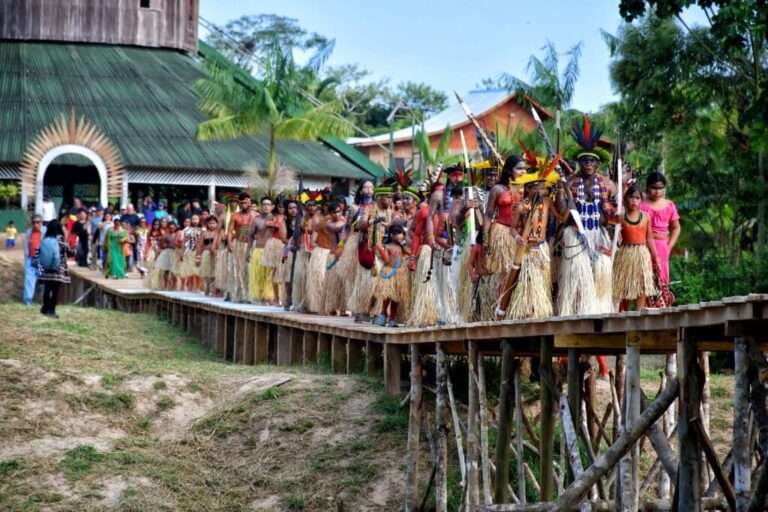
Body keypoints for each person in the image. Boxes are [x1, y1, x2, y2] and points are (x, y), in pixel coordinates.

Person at [556, 114, 617, 315]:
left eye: (591, 161)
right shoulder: (570, 182)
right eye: (584, 161)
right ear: (579, 163)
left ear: (597, 164)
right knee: (577, 278)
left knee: (600, 276)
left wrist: (616, 225)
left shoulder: (608, 184)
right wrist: (560, 190)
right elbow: (563, 211)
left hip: (599, 234)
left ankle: (599, 311)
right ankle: (575, 312)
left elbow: (615, 214)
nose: (588, 164)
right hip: (575, 233)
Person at [504, 162, 562, 319]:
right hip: (527, 248)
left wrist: (564, 193)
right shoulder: (522, 207)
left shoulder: (547, 202)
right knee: (527, 279)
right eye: (536, 187)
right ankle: (527, 310)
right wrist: (518, 238)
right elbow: (512, 228)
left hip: (542, 247)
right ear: (528, 188)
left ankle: (540, 310)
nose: (540, 190)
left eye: (542, 187)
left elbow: (561, 217)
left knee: (543, 278)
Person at [613, 184, 659, 309]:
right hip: (626, 253)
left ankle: (639, 311)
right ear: (625, 199)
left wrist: (655, 255)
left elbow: (649, 237)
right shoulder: (621, 218)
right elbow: (614, 235)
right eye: (631, 197)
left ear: (641, 201)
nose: (634, 201)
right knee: (627, 283)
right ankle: (626, 312)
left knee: (643, 283)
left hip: (641, 253)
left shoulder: (645, 216)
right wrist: (616, 221)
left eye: (637, 198)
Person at [640, 172, 681, 287]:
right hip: (644, 245)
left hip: (662, 245)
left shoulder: (669, 205)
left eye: (660, 188)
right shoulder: (640, 204)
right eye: (654, 188)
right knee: (644, 277)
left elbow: (676, 227)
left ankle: (661, 304)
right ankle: (644, 305)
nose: (657, 191)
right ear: (648, 187)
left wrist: (670, 246)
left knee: (661, 278)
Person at [372, 224, 410, 327]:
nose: (401, 235)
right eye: (398, 233)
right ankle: (383, 314)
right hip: (389, 273)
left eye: (402, 233)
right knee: (388, 296)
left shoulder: (401, 247)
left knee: (395, 298)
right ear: (392, 235)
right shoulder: (387, 246)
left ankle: (392, 318)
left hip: (399, 275)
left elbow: (410, 253)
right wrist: (380, 249)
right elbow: (387, 260)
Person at [37, 219, 74, 318]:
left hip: (47, 269)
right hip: (58, 269)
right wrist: (75, 246)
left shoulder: (46, 239)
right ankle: (51, 310)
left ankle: (45, 308)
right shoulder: (61, 240)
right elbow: (71, 253)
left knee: (47, 289)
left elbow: (38, 252)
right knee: (55, 290)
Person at [23, 214, 46, 305]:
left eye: (38, 222)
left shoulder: (46, 231)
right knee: (29, 281)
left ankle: (46, 302)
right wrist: (26, 258)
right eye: (34, 222)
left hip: (43, 260)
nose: (36, 224)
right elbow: (26, 246)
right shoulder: (29, 232)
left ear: (41, 223)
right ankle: (27, 302)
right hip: (31, 259)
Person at [197, 216, 221, 296]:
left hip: (216, 254)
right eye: (210, 223)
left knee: (214, 272)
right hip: (206, 254)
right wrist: (198, 256)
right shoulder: (204, 233)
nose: (211, 225)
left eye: (214, 223)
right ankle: (207, 287)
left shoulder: (218, 233)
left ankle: (213, 288)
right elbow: (200, 245)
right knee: (207, 272)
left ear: (217, 224)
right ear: (207, 224)